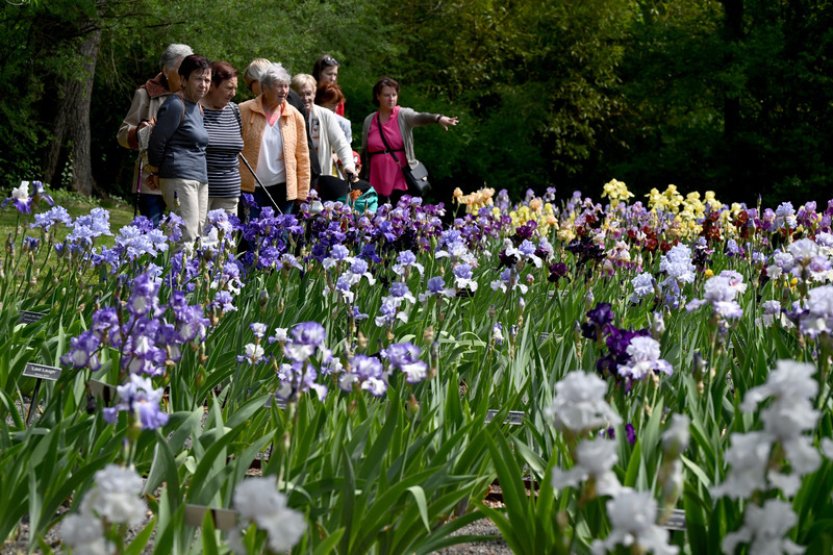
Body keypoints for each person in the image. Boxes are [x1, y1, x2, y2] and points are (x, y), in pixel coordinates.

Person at [117, 43, 193, 225]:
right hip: (151, 181)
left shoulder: (195, 96)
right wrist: (142, 130)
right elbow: (122, 135)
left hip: (184, 177)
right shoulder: (145, 94)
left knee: (182, 233)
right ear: (166, 71)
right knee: (150, 233)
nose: (186, 75)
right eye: (181, 69)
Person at [146, 54, 212, 243]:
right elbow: (157, 142)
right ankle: (173, 263)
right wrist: (156, 171)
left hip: (200, 177)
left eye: (207, 80)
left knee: (197, 235)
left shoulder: (197, 107)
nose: (203, 85)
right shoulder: (176, 105)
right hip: (179, 176)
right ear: (183, 80)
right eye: (198, 79)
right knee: (186, 235)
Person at [361, 76, 458, 204]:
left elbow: (419, 117)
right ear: (378, 96)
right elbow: (364, 150)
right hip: (376, 174)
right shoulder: (369, 120)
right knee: (377, 209)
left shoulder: (403, 114)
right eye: (386, 95)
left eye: (394, 95)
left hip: (399, 172)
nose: (391, 98)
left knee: (400, 208)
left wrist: (438, 118)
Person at [239, 63, 310, 218]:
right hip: (252, 190)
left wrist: (302, 192)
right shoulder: (244, 110)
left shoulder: (295, 116)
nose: (284, 91)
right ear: (265, 88)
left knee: (282, 232)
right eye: (279, 86)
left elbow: (303, 156)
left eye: (286, 86)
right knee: (253, 232)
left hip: (284, 191)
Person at [243, 58, 320, 192]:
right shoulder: (255, 106)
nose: (251, 90)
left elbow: (297, 148)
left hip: (296, 176)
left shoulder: (285, 101)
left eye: (251, 85)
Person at [290, 74, 356, 182]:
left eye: (308, 94)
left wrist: (349, 165)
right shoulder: (286, 116)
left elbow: (342, 144)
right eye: (300, 94)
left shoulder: (326, 115)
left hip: (320, 176)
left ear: (314, 93)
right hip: (294, 176)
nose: (305, 98)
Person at [201, 60, 243, 215]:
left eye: (235, 88)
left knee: (227, 232)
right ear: (212, 86)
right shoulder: (195, 110)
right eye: (229, 88)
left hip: (230, 192)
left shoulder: (234, 110)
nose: (233, 93)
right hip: (201, 191)